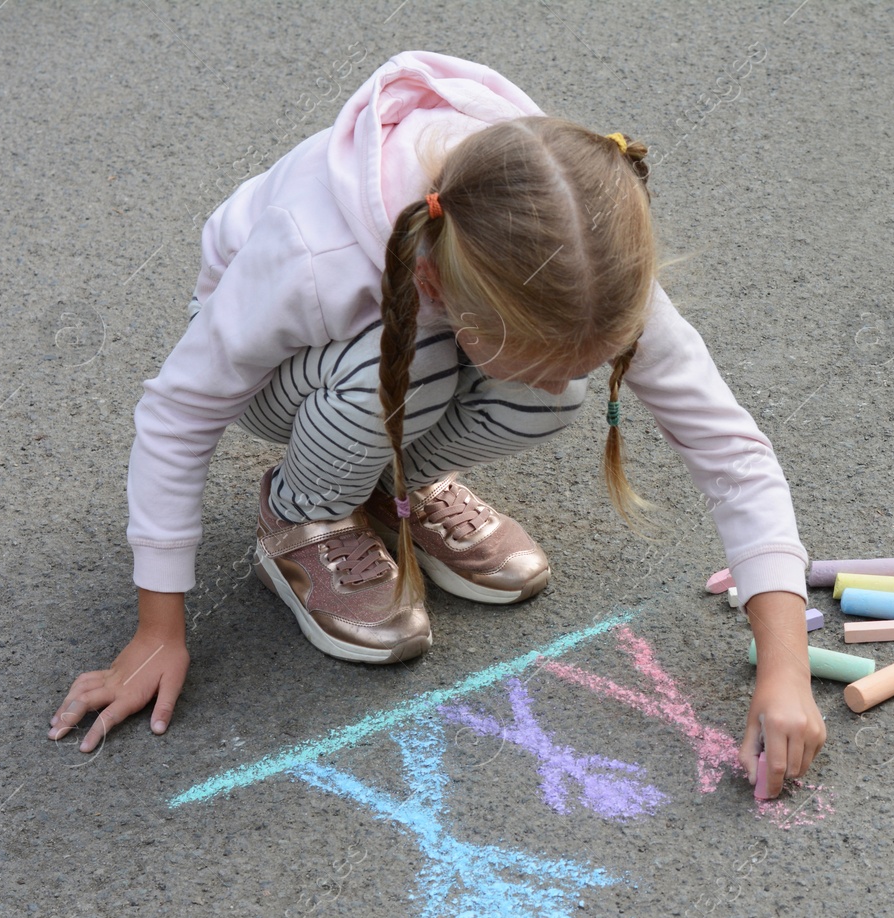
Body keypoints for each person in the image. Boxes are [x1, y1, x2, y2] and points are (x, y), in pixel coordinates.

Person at [49, 51, 822, 797]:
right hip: (285, 366)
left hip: (413, 337)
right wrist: (158, 628)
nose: (563, 385)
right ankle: (302, 511)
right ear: (437, 283)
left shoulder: (586, 257)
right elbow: (178, 410)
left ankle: (393, 489)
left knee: (538, 396)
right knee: (412, 363)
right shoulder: (313, 259)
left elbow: (729, 447)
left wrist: (783, 665)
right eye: (541, 355)